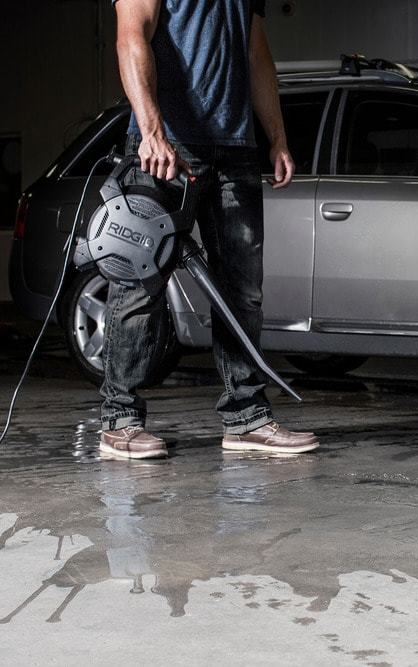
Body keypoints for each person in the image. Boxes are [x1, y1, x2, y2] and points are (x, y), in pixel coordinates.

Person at [100, 0, 317, 459]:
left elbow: (256, 53)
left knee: (242, 292)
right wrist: (151, 132)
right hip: (164, 149)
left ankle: (246, 418)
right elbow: (131, 36)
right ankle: (119, 419)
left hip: (235, 149)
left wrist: (276, 137)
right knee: (140, 285)